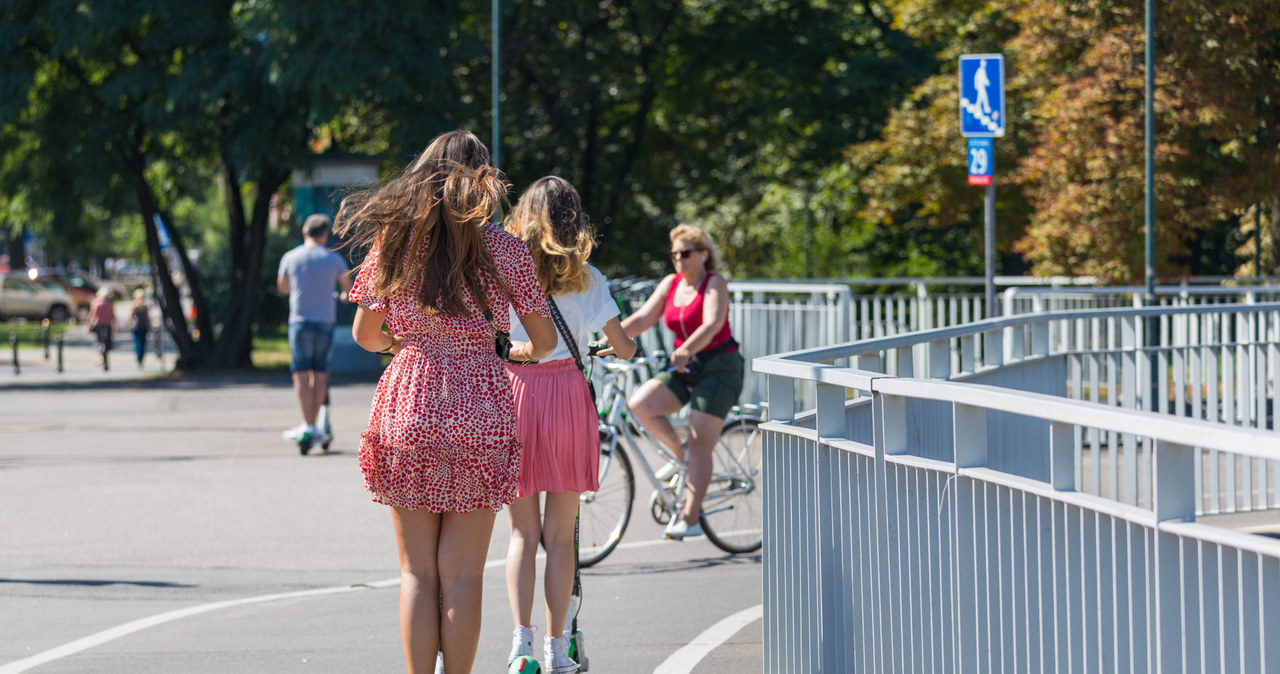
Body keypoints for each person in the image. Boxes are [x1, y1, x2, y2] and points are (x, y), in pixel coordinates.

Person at [337, 130, 557, 674]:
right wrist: (515, 351)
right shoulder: (502, 247)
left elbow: (366, 334)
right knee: (462, 574)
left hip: (409, 400)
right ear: (482, 180)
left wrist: (407, 343)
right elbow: (546, 341)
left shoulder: (394, 240)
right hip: (480, 404)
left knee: (417, 574)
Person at [501, 177, 636, 673]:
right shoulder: (589, 277)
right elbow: (623, 348)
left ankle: (520, 648)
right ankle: (560, 651)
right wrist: (613, 347)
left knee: (521, 535)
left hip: (516, 393)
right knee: (561, 537)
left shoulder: (505, 272)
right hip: (567, 398)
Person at [619, 224, 744, 540]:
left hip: (719, 367)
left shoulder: (714, 283)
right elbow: (643, 319)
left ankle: (690, 519)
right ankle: (682, 456)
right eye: (674, 254)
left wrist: (686, 349)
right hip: (685, 366)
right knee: (640, 405)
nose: (678, 259)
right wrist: (605, 338)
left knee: (700, 439)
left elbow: (713, 323)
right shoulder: (671, 283)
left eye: (685, 253)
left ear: (703, 255)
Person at [276, 213, 352, 445]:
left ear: (304, 232)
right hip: (325, 322)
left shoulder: (290, 257)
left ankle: (307, 424)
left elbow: (283, 287)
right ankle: (317, 425)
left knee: (300, 374)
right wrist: (341, 297)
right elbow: (349, 291)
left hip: (299, 322)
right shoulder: (334, 260)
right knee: (320, 374)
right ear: (325, 234)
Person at [87, 287, 116, 366]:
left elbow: (92, 315)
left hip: (98, 325)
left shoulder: (96, 302)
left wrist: (88, 326)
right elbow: (113, 316)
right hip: (107, 325)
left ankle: (100, 357)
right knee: (106, 342)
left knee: (99, 341)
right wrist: (116, 327)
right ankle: (104, 358)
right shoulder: (109, 303)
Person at [128, 288, 151, 368]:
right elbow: (147, 318)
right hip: (142, 326)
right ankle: (140, 357)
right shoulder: (144, 306)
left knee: (138, 342)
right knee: (142, 343)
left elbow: (130, 317)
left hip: (136, 326)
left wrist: (128, 325)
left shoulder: (134, 305)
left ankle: (139, 357)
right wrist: (149, 325)